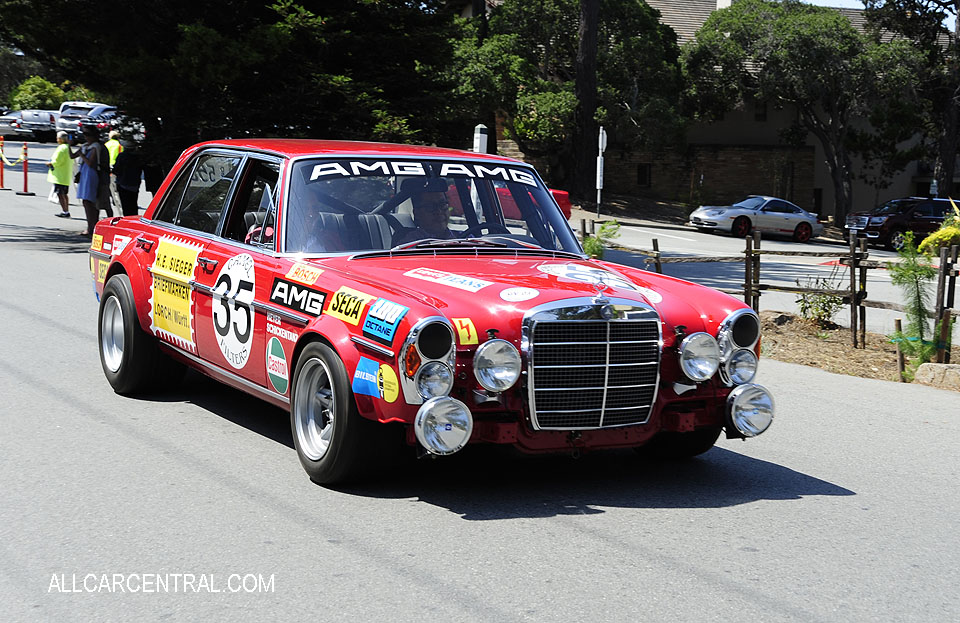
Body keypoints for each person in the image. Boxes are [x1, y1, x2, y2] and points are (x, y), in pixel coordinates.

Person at [393, 179, 457, 245]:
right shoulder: (409, 244)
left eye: (443, 204)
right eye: (430, 207)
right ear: (417, 213)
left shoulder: (462, 238)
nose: (439, 211)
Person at [70, 127, 102, 236]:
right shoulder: (85, 146)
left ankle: (93, 226)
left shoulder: (95, 147)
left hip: (91, 175)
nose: (86, 137)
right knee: (85, 201)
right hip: (84, 174)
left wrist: (82, 154)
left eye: (88, 135)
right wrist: (69, 145)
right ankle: (90, 226)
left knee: (90, 201)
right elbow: (72, 156)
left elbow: (90, 163)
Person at [111, 140, 143, 217]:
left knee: (126, 206)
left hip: (123, 183)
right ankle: (134, 219)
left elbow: (116, 170)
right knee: (134, 204)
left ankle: (127, 220)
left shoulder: (122, 156)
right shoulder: (138, 157)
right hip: (134, 184)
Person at [48, 131, 73, 218]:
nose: (57, 139)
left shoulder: (62, 148)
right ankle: (66, 210)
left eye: (58, 138)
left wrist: (50, 164)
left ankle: (65, 211)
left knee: (60, 194)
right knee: (64, 194)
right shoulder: (67, 147)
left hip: (60, 175)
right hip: (65, 174)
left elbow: (57, 161)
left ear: (61, 139)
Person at [104, 130, 123, 208]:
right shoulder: (119, 145)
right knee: (115, 185)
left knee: (109, 184)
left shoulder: (106, 144)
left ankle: (112, 198)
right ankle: (117, 200)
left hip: (107, 165)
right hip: (115, 166)